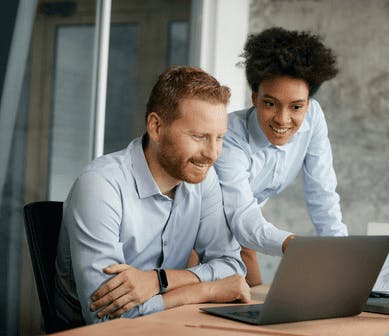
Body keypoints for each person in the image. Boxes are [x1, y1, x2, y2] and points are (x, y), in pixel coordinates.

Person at [54, 66, 249, 327]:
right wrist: (207, 290)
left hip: (170, 327)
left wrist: (157, 280)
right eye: (199, 136)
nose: (213, 153)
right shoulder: (100, 185)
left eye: (220, 138)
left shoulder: (203, 178)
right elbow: (107, 317)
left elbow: (232, 266)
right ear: (156, 127)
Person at [214, 27, 348, 286]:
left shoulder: (314, 118)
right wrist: (292, 245)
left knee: (253, 305)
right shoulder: (229, 137)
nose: (283, 119)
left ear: (308, 103)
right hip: (201, 235)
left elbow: (323, 194)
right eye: (270, 103)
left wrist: (342, 254)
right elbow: (241, 216)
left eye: (296, 106)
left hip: (246, 233)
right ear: (255, 97)